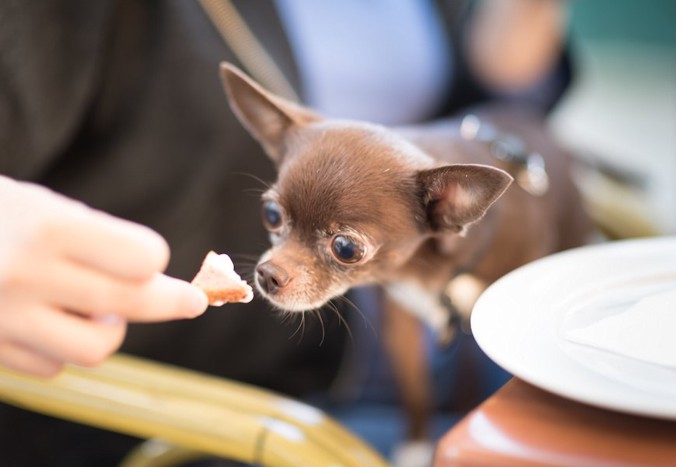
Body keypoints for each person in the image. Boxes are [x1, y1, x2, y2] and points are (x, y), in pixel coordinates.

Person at [0, 0, 571, 464]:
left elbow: (498, 102)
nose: (274, 262)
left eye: (342, 247)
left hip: (447, 299)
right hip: (218, 392)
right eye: (274, 218)